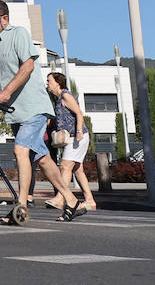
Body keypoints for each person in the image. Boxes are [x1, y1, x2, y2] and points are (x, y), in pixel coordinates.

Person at [0, 0, 85, 223]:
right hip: (14, 111)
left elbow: (28, 66)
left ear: (4, 18)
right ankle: (71, 200)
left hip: (34, 107)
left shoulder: (19, 34)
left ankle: (21, 206)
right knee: (42, 159)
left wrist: (7, 90)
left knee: (20, 150)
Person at [45, 72, 97, 212]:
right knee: (77, 170)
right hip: (72, 138)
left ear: (57, 83)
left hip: (77, 137)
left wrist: (79, 131)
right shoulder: (58, 99)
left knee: (65, 166)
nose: (47, 83)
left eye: (49, 81)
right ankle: (90, 200)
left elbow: (79, 113)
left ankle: (60, 198)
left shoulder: (66, 95)